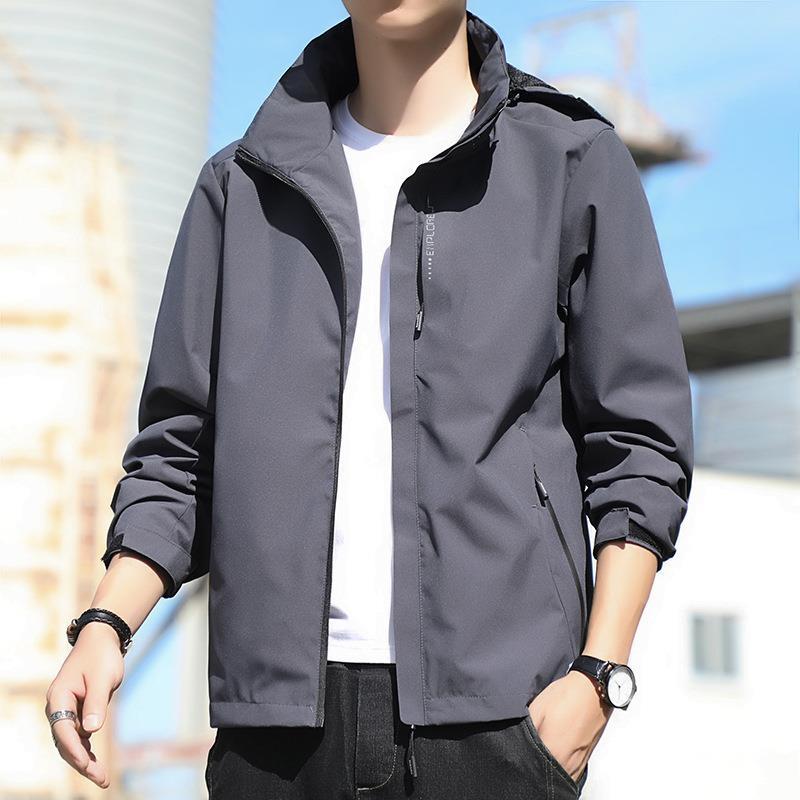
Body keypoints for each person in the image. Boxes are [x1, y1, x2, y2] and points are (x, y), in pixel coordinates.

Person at [46, 2, 694, 797]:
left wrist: (599, 676)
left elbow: (639, 445)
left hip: (498, 724)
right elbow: (179, 456)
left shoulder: (568, 161)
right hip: (275, 739)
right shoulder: (242, 186)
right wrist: (106, 624)